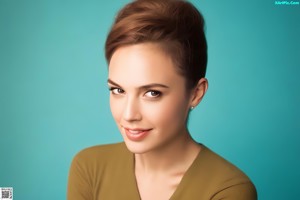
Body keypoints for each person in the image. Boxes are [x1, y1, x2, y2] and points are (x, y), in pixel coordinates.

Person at [67, 0, 257, 199]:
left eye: (152, 93)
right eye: (118, 90)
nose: (128, 114)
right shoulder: (89, 169)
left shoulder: (228, 190)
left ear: (196, 93)